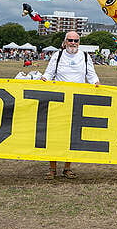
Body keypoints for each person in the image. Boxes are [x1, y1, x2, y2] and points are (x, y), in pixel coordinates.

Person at [42, 31, 100, 179]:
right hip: (58, 102)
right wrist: (43, 79)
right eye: (70, 40)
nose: (73, 43)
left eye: (76, 40)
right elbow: (48, 74)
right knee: (54, 135)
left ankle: (67, 168)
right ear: (65, 41)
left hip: (77, 102)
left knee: (73, 136)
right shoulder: (58, 55)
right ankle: (52, 168)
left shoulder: (86, 57)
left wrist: (97, 84)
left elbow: (91, 76)